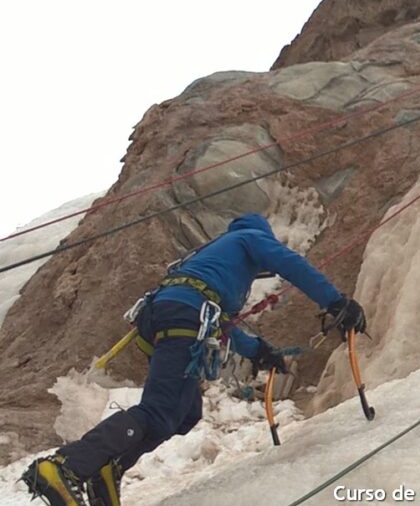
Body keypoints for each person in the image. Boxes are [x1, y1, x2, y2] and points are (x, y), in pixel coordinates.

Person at [22, 213, 367, 506]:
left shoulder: (209, 258)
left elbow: (217, 323)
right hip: (185, 316)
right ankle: (65, 465)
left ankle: (105, 471)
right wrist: (335, 301)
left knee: (185, 412)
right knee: (160, 408)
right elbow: (292, 265)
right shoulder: (251, 238)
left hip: (174, 316)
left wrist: (260, 352)